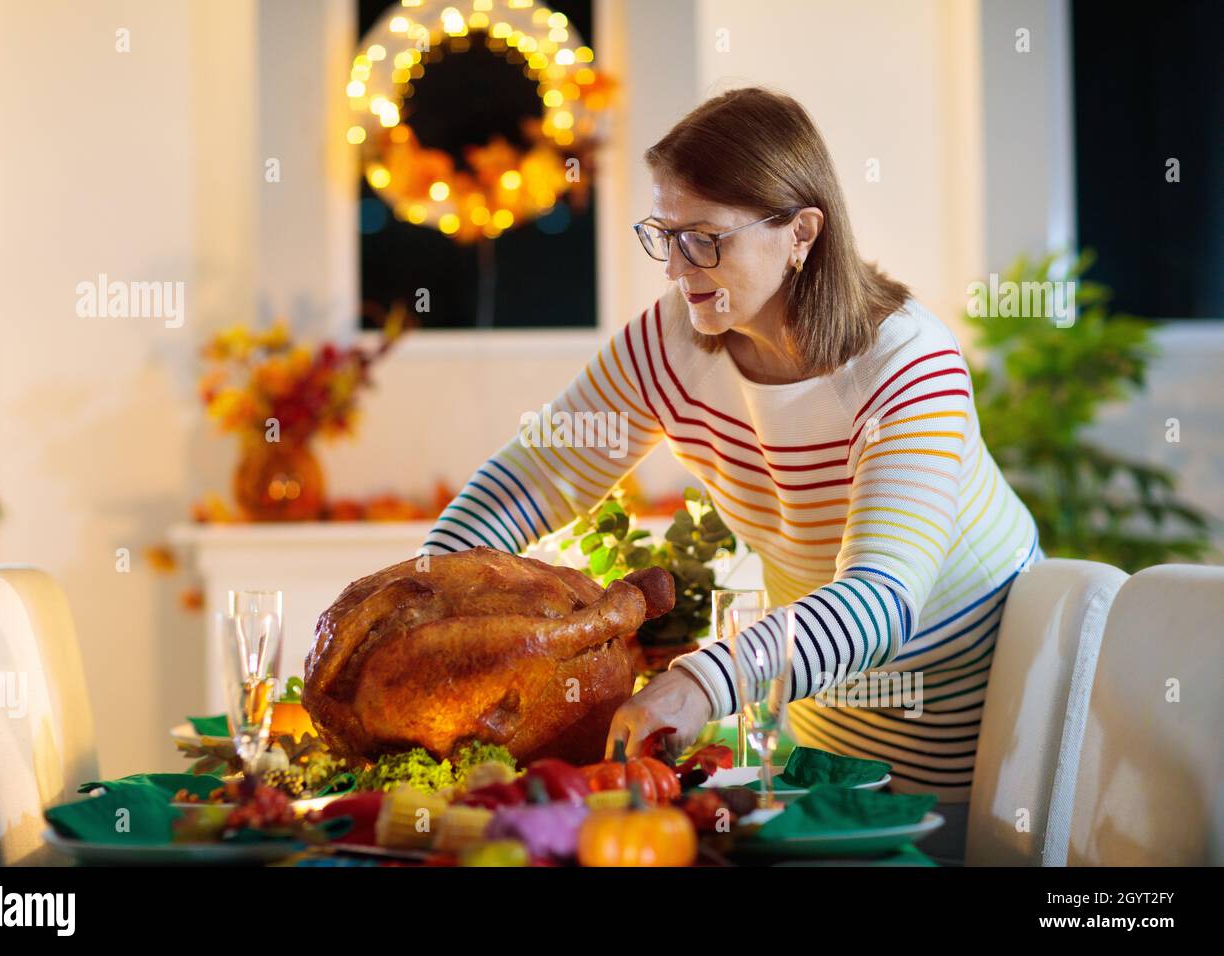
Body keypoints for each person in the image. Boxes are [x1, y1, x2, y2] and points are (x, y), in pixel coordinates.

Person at [421, 88, 1040, 865]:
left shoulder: (908, 365)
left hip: (976, 725)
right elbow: (534, 477)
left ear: (800, 234)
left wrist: (701, 682)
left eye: (706, 240)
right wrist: (421, 600)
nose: (680, 269)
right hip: (823, 727)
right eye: (666, 235)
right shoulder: (673, 342)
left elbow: (882, 602)